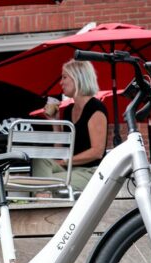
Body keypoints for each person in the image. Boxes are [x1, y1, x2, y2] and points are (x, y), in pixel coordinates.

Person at [39, 59, 107, 193]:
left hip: (91, 172)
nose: (61, 82)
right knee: (39, 160)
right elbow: (60, 152)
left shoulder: (95, 108)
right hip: (71, 169)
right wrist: (55, 122)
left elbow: (97, 152)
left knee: (46, 180)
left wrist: (64, 162)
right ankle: (43, 191)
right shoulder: (69, 109)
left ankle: (42, 194)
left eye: (64, 77)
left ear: (78, 77)